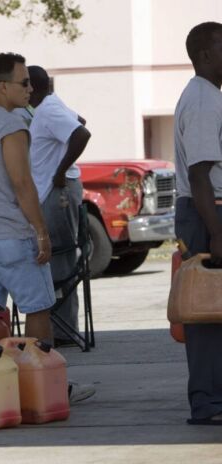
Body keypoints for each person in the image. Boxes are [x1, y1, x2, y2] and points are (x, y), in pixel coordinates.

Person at [0, 53, 94, 404]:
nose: (31, 89)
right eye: (24, 83)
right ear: (2, 87)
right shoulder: (11, 125)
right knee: (38, 307)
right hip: (10, 234)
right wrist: (41, 231)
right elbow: (22, 182)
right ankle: (42, 390)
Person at [173, 21, 222, 426]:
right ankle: (207, 404)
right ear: (206, 55)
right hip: (208, 211)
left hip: (206, 209)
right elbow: (201, 173)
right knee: (207, 311)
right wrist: (218, 234)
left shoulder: (207, 95)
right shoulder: (205, 100)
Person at [26, 65, 91, 346]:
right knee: (53, 257)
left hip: (57, 191)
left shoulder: (49, 109)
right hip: (50, 190)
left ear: (33, 88)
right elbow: (81, 120)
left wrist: (60, 170)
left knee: (59, 258)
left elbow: (81, 133)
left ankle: (63, 330)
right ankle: (59, 326)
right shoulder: (49, 106)